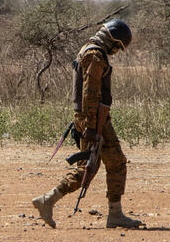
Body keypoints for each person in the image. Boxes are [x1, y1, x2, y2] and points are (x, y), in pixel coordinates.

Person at [32, 19, 143, 229]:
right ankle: (115, 215)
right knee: (115, 162)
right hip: (94, 118)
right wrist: (92, 126)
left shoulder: (88, 49)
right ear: (112, 40)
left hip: (88, 117)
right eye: (117, 47)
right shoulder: (95, 55)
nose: (116, 51)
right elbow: (90, 93)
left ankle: (48, 200)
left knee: (87, 168)